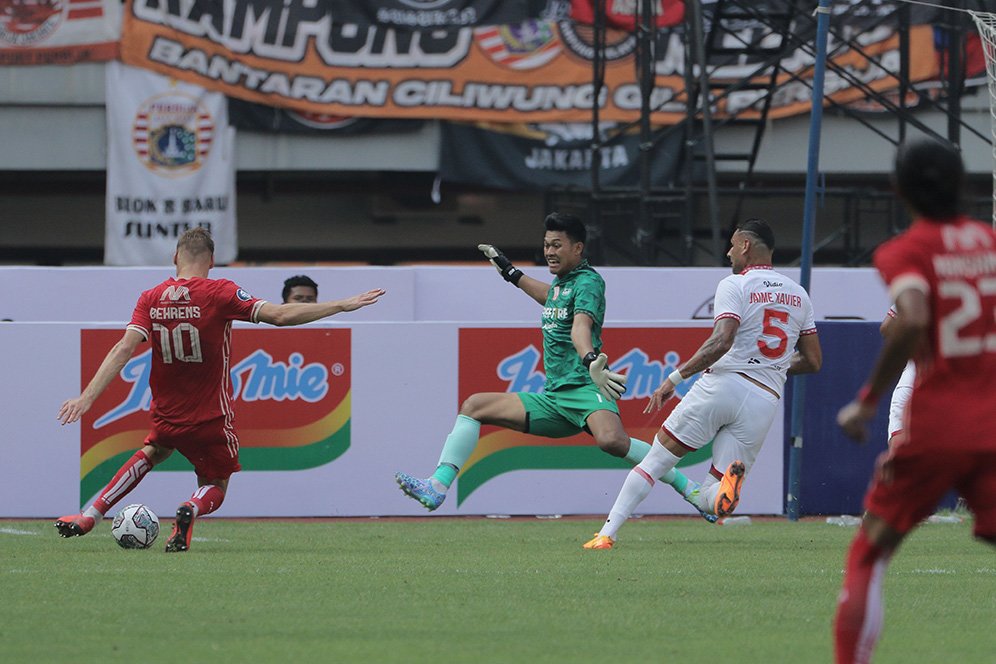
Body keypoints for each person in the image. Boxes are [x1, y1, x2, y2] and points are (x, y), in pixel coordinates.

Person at [56, 228, 385, 551]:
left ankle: (90, 515)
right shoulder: (221, 292)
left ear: (175, 257)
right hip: (211, 415)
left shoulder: (150, 298)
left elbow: (123, 350)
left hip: (167, 412)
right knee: (216, 483)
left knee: (154, 451)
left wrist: (87, 397)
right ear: (212, 261)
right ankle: (192, 508)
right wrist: (341, 304)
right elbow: (280, 315)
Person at [394, 211, 709, 517]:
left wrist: (589, 359)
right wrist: (511, 273)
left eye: (557, 245)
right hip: (554, 398)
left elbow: (580, 327)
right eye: (546, 245)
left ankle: (689, 488)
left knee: (612, 441)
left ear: (578, 248)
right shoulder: (562, 286)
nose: (549, 252)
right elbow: (549, 296)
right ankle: (437, 485)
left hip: (586, 388)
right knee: (474, 405)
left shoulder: (588, 283)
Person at [834, 137, 996, 664]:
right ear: (963, 183)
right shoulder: (990, 242)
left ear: (898, 190)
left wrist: (866, 399)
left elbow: (913, 317)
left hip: (939, 424)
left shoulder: (905, 251)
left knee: (870, 551)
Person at [583, 218, 822, 550]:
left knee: (655, 461)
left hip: (724, 383)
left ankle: (606, 534)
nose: (728, 253)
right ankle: (725, 488)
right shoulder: (799, 295)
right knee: (711, 497)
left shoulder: (735, 284)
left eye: (731, 245)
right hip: (764, 398)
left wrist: (675, 377)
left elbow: (721, 341)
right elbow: (813, 361)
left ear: (745, 246)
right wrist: (774, 366)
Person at [881, 307, 916, 444]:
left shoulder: (920, 286)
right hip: (959, 382)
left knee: (899, 454)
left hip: (916, 375)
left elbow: (887, 327)